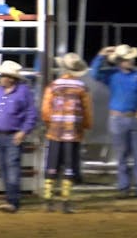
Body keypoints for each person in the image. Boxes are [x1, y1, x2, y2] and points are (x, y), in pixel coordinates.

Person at [90, 44, 137, 199]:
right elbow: (94, 73)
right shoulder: (112, 74)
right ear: (120, 61)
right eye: (127, 59)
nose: (130, 61)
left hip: (131, 117)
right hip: (119, 118)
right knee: (122, 155)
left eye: (130, 59)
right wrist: (101, 55)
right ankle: (125, 187)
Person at [41, 53, 93, 213]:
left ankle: (48, 200)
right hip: (73, 132)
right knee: (69, 166)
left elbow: (45, 109)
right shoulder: (82, 87)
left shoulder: (53, 85)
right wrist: (86, 125)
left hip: (55, 131)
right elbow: (87, 110)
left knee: (52, 165)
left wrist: (50, 123)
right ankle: (65, 201)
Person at [0, 60, 37, 213]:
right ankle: (10, 199)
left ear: (11, 78)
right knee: (4, 168)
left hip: (14, 135)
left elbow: (31, 114)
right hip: (0, 135)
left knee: (12, 167)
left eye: (3, 76)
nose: (0, 78)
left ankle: (13, 201)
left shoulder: (23, 91)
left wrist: (23, 131)